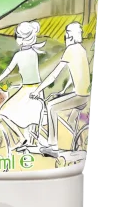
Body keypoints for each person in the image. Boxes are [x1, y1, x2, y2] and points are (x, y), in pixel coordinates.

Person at [30, 22, 90, 157]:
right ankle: (78, 141)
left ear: (70, 36)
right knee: (70, 121)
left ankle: (52, 146)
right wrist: (64, 91)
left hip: (79, 96)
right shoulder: (81, 49)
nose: (65, 38)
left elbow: (54, 75)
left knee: (51, 106)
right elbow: (78, 74)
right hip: (85, 95)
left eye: (66, 35)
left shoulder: (71, 50)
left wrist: (38, 90)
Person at [0, 21, 46, 149]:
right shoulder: (34, 53)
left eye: (17, 36)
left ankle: (21, 138)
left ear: (22, 39)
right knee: (29, 118)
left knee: (2, 113)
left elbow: (7, 72)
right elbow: (31, 75)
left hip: (27, 90)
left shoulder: (19, 55)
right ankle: (28, 142)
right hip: (37, 89)